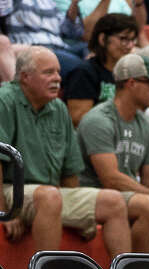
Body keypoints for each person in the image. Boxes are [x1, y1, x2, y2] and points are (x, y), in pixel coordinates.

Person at [0, 47, 138, 256]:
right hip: (11, 190)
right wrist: (5, 213)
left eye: (58, 72)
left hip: (49, 195)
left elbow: (70, 173)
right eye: (48, 73)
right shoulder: (4, 100)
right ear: (25, 77)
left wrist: (80, 216)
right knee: (50, 197)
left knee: (114, 202)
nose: (57, 79)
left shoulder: (59, 108)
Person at [76, 53, 149, 247]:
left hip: (128, 195)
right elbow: (110, 179)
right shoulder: (99, 120)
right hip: (95, 193)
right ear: (131, 83)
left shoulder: (145, 123)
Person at [64, 12, 136, 124]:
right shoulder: (84, 73)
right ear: (102, 39)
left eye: (132, 40)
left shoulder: (131, 74)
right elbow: (78, 118)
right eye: (124, 39)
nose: (130, 46)